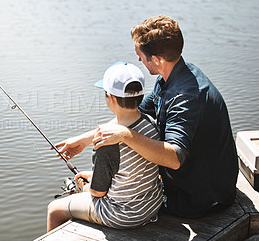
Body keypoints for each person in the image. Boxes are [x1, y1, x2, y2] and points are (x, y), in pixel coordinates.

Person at [55, 15, 238, 218]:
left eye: (140, 55)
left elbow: (174, 158)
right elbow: (131, 113)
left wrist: (124, 135)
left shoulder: (185, 97)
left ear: (157, 59)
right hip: (198, 181)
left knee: (85, 201)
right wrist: (83, 140)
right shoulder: (173, 76)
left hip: (202, 197)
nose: (139, 60)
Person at [47, 62, 163, 232]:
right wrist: (95, 175)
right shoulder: (150, 123)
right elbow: (131, 169)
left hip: (122, 215)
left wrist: (86, 188)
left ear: (111, 97)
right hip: (151, 205)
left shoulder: (107, 141)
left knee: (54, 209)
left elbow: (97, 192)